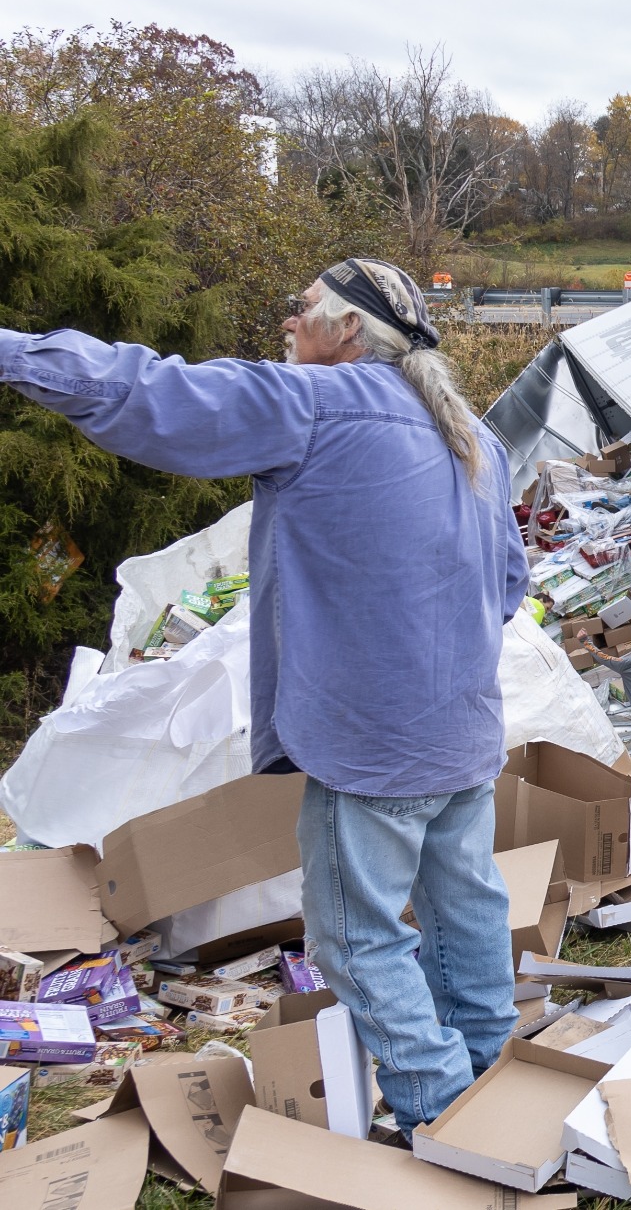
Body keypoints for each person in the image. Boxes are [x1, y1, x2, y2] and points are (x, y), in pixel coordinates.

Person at [0, 259, 527, 1137]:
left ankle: (449, 1120)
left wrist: (16, 354)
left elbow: (152, 394)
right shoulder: (474, 432)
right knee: (465, 912)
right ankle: (500, 1085)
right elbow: (506, 583)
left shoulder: (313, 406)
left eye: (306, 308)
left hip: (369, 751)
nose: (289, 320)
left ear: (350, 331)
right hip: (465, 739)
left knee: (356, 943)